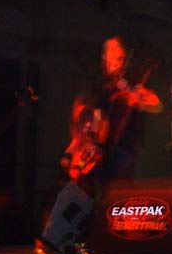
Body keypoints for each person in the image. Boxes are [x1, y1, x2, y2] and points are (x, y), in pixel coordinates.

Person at [60, 36, 163, 191]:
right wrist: (82, 147)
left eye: (119, 48)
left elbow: (157, 105)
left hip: (125, 149)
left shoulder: (130, 82)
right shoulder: (98, 86)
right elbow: (95, 117)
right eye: (112, 48)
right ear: (105, 57)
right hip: (102, 153)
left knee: (120, 191)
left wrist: (138, 99)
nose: (117, 51)